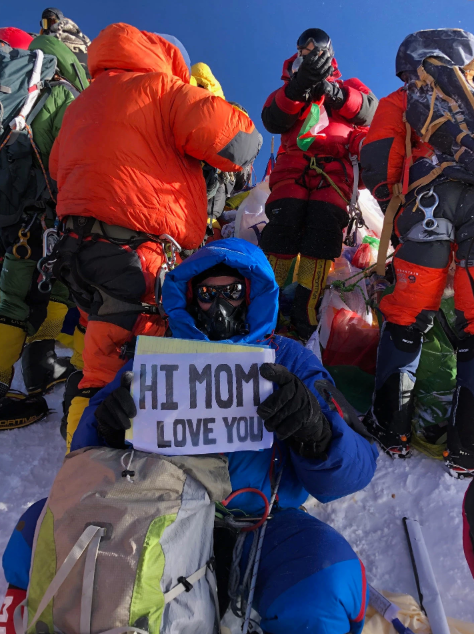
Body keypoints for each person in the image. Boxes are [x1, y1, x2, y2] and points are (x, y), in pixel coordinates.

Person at [1, 238, 378, 633]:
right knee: (36, 535)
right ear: (189, 297)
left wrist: (316, 432)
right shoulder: (155, 358)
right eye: (207, 294)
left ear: (253, 294)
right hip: (154, 511)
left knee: (326, 580)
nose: (220, 307)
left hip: (261, 523)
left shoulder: (289, 359)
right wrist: (108, 431)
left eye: (232, 293)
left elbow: (356, 469)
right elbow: (83, 462)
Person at [47, 23, 262, 448]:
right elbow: (240, 145)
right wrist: (209, 99)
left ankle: (79, 460)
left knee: (99, 353)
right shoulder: (164, 91)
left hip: (75, 250)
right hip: (134, 255)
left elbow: (58, 168)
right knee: (125, 371)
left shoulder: (81, 104)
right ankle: (100, 471)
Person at [360, 28, 474, 470]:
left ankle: (391, 428)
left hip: (427, 205)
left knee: (406, 316)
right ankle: (466, 449)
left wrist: (395, 204)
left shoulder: (400, 99)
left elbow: (377, 160)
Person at [260, 28, 378, 341]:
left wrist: (333, 91)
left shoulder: (348, 85)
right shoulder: (287, 88)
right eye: (304, 47)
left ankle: (305, 319)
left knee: (322, 240)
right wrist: (300, 86)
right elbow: (274, 119)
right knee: (281, 234)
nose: (309, 51)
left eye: (315, 47)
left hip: (334, 172)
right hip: (292, 172)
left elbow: (371, 112)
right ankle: (265, 317)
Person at [0, 30, 88, 428]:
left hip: (7, 205)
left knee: (7, 298)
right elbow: (67, 160)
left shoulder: (19, 80)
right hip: (37, 212)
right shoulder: (62, 90)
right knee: (50, 289)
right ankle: (43, 366)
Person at [40, 7, 91, 81]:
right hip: (88, 81)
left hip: (73, 80)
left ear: (59, 20)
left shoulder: (53, 38)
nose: (50, 26)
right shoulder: (84, 39)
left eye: (53, 22)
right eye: (46, 23)